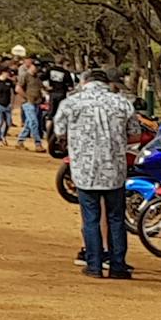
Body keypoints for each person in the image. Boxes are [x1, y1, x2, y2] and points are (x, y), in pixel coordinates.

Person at [53, 68, 144, 280]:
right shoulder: (122, 103)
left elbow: (59, 131)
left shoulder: (71, 103)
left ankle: (94, 264)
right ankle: (117, 265)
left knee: (91, 217)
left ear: (85, 82)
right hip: (115, 168)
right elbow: (135, 134)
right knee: (116, 218)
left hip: (85, 170)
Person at [15, 51, 45, 152]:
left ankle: (20, 141)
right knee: (34, 123)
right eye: (36, 66)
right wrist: (27, 98)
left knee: (29, 124)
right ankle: (38, 144)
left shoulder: (37, 78)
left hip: (36, 103)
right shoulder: (25, 76)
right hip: (28, 103)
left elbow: (41, 88)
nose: (37, 68)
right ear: (31, 66)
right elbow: (18, 88)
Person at [0, 65, 17, 146]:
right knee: (0, 122)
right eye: (7, 73)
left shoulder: (9, 82)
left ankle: (3, 135)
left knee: (8, 122)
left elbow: (13, 92)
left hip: (7, 105)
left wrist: (12, 103)